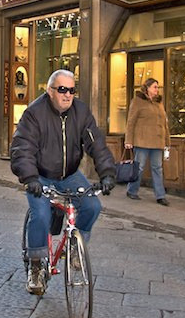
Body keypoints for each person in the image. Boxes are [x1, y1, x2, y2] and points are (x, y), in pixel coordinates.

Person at [10, 69, 116, 295]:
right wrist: (30, 178)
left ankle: (76, 247)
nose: (68, 95)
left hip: (68, 174)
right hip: (40, 174)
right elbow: (22, 148)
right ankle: (37, 266)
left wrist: (107, 173)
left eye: (71, 90)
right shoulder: (34, 113)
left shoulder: (81, 111)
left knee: (92, 206)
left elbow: (96, 144)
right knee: (41, 214)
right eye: (62, 90)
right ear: (50, 91)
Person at [124, 78, 171, 206]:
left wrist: (167, 140)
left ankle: (160, 196)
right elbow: (131, 122)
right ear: (148, 88)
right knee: (139, 167)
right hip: (142, 141)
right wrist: (128, 140)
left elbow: (164, 123)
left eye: (157, 87)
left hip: (157, 141)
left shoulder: (159, 103)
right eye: (155, 87)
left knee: (158, 168)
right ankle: (132, 190)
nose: (157, 89)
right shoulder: (138, 102)